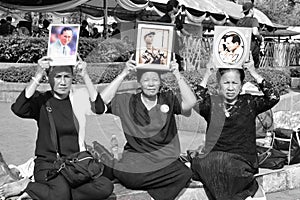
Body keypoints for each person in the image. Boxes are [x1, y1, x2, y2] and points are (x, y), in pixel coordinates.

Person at [0, 57, 113, 200]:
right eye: (58, 77)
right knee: (61, 194)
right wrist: (38, 75)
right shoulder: (42, 100)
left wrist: (85, 75)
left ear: (72, 78)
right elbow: (18, 108)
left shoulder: (78, 99)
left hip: (75, 164)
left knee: (105, 186)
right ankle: (27, 185)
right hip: (48, 165)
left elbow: (100, 108)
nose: (63, 82)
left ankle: (42, 193)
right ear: (49, 78)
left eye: (67, 76)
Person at [100, 54, 196, 200]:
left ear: (160, 82)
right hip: (136, 160)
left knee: (185, 173)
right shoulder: (128, 101)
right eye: (146, 80)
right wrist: (124, 73)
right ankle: (116, 167)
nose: (151, 84)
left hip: (164, 160)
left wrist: (177, 74)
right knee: (132, 176)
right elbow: (100, 103)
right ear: (139, 82)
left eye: (155, 80)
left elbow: (190, 102)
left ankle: (154, 197)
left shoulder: (168, 98)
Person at [190, 57, 280, 200]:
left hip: (242, 161)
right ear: (219, 84)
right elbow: (195, 99)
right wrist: (207, 73)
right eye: (226, 83)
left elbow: (274, 97)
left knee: (229, 169)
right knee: (205, 164)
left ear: (241, 85)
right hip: (215, 158)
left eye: (234, 83)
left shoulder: (249, 102)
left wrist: (253, 71)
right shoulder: (211, 104)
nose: (230, 88)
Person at [158, 0, 190, 71]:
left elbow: (182, 30)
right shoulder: (163, 20)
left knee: (177, 62)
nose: (178, 9)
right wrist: (172, 22)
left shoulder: (177, 19)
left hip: (175, 45)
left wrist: (190, 35)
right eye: (178, 7)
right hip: (166, 46)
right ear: (173, 8)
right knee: (168, 62)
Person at [237, 2, 263, 68]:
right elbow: (255, 32)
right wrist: (261, 38)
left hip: (241, 47)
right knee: (254, 67)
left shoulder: (239, 21)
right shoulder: (253, 20)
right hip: (252, 47)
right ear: (251, 10)